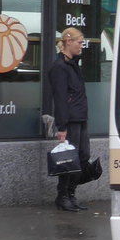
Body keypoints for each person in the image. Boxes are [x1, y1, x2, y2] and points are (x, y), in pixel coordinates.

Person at [48, 27, 90, 212]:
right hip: (70, 119)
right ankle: (63, 195)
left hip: (80, 117)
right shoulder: (59, 67)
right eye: (79, 42)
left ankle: (71, 194)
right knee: (68, 160)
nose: (82, 46)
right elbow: (60, 98)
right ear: (68, 42)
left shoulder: (73, 64)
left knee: (82, 157)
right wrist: (62, 126)